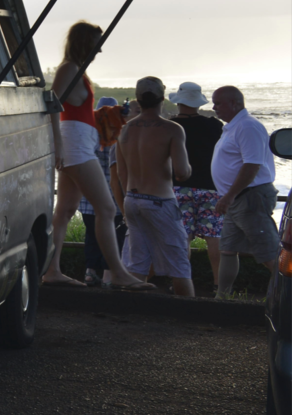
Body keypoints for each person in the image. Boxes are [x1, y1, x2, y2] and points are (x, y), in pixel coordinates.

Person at [44, 22, 147, 289]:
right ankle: (118, 272)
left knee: (65, 210)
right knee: (107, 208)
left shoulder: (78, 70)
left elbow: (73, 109)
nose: (100, 50)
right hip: (74, 144)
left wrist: (106, 116)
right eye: (97, 43)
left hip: (79, 141)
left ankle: (52, 270)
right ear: (84, 42)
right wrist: (56, 142)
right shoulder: (68, 69)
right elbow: (53, 103)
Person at [110, 77, 193, 297]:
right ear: (162, 98)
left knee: (138, 263)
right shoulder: (172, 129)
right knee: (180, 265)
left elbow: (121, 172)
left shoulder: (124, 130)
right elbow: (182, 173)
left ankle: (138, 313)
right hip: (160, 200)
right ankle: (190, 318)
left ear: (138, 99)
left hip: (132, 200)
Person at [210, 85, 280, 297]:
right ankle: (222, 297)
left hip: (250, 197)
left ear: (235, 103)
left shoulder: (247, 126)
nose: (214, 108)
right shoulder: (233, 126)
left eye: (218, 103)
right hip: (236, 199)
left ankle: (284, 298)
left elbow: (252, 165)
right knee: (228, 250)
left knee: (269, 252)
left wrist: (229, 196)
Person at [167, 81, 224, 289]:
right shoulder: (214, 126)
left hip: (179, 185)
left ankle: (181, 281)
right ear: (199, 102)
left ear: (179, 102)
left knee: (183, 236)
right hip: (211, 186)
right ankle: (220, 284)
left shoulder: (171, 126)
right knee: (214, 236)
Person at [79, 97, 127, 284]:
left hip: (87, 198)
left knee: (92, 235)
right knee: (115, 236)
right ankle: (108, 274)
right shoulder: (118, 137)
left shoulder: (86, 136)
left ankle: (90, 272)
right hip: (114, 198)